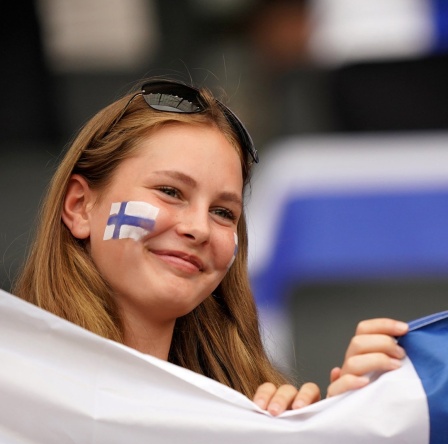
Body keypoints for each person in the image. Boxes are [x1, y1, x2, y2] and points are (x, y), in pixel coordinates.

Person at [12, 78, 408, 416]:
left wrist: (335, 427)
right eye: (170, 191)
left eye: (223, 212)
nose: (199, 228)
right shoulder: (13, 388)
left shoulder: (256, 413)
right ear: (80, 207)